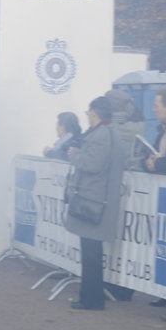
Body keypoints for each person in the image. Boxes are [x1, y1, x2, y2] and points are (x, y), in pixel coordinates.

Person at [65, 96, 131, 310]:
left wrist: (75, 155)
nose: (87, 116)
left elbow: (93, 164)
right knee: (91, 251)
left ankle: (91, 299)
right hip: (99, 198)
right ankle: (92, 297)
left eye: (88, 113)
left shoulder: (102, 134)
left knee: (91, 253)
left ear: (94, 113)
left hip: (93, 200)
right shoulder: (109, 132)